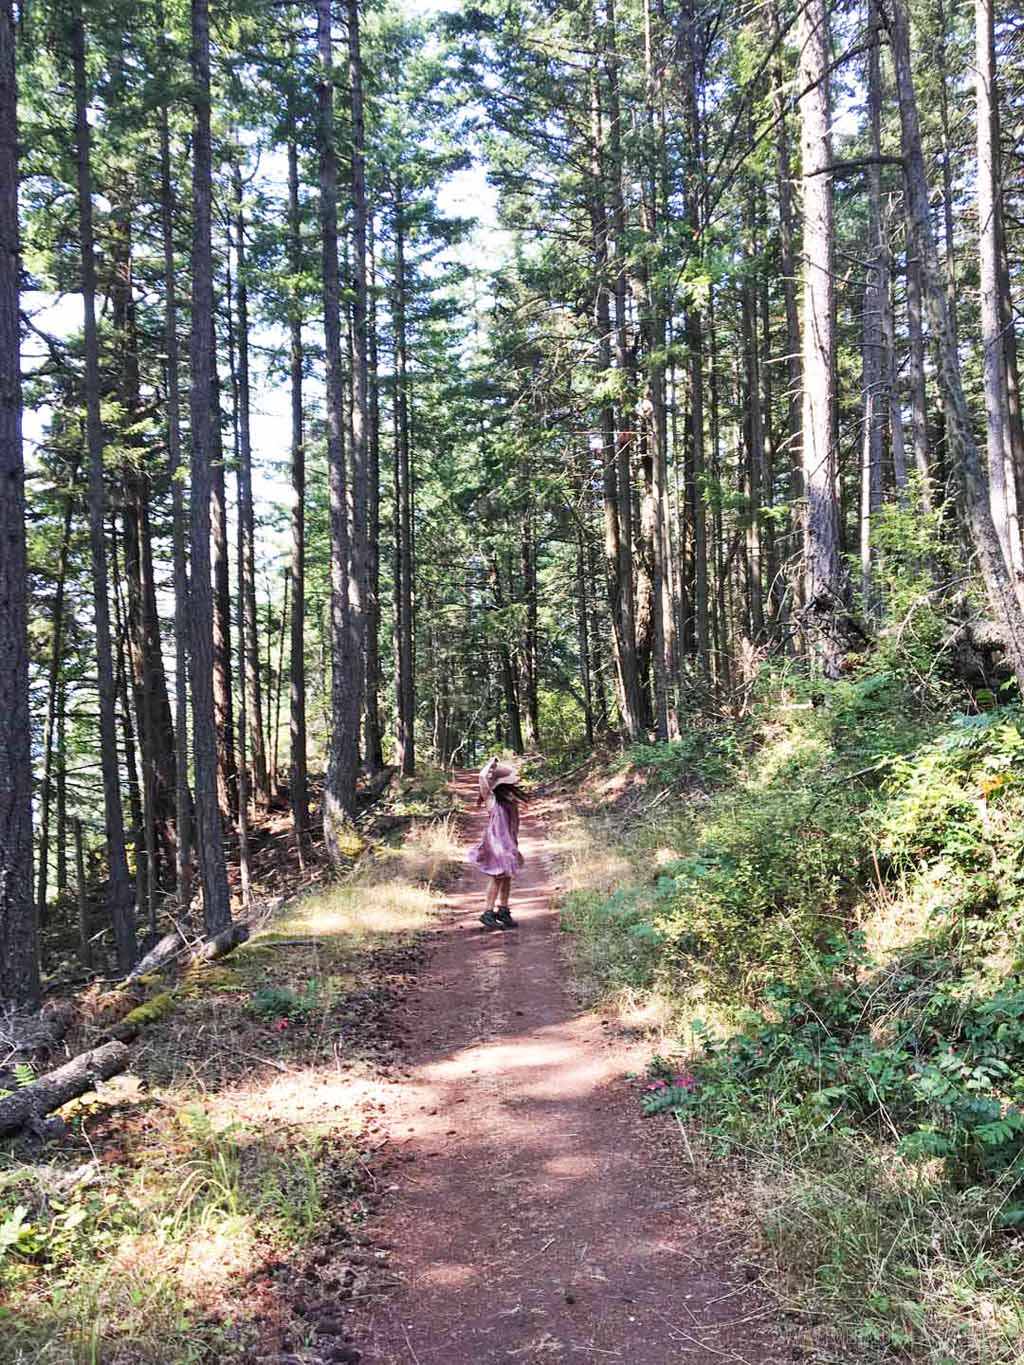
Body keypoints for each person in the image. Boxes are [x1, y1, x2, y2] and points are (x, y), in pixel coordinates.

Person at [468, 757, 527, 930]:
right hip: (496, 843)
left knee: (507, 876)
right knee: (498, 877)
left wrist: (514, 844)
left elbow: (514, 825)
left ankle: (503, 910)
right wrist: (490, 765)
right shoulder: (491, 800)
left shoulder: (509, 801)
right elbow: (482, 778)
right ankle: (488, 912)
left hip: (508, 842)